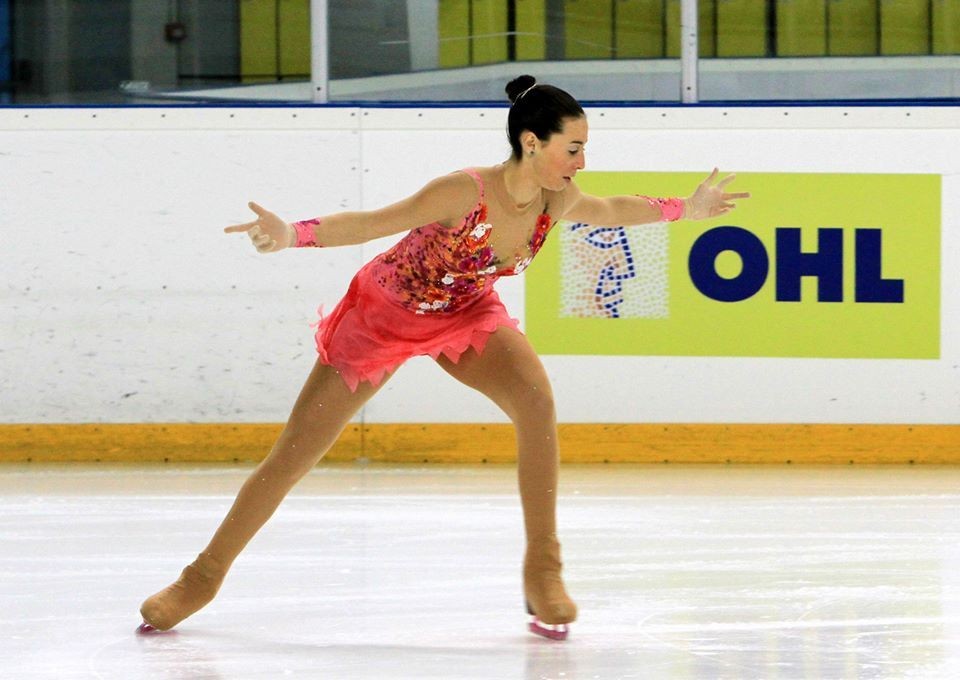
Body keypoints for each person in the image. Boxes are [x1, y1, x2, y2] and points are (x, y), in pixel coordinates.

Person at [138, 74, 749, 641]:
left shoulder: (555, 200)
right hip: (381, 317)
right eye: (573, 148)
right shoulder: (463, 190)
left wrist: (684, 209)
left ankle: (543, 569)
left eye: (585, 149)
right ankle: (202, 578)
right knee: (293, 455)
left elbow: (611, 211)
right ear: (532, 143)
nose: (582, 162)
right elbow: (375, 223)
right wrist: (293, 234)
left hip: (465, 314)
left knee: (536, 402)